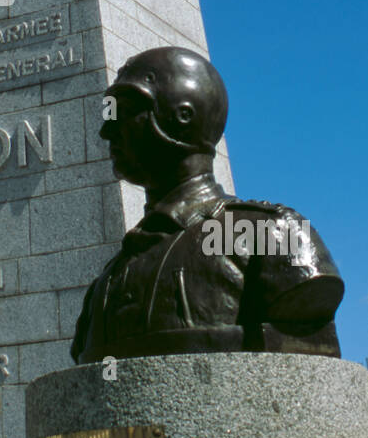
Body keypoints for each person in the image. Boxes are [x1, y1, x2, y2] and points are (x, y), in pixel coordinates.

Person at [70, 47, 344, 363]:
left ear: (182, 116)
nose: (107, 131)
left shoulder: (270, 235)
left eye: (125, 110)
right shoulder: (109, 280)